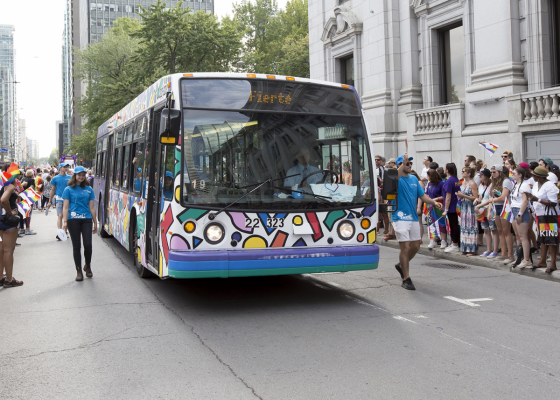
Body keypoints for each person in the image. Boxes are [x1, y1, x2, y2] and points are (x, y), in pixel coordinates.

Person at [392, 153, 442, 290]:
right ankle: (406, 278)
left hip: (413, 217)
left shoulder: (414, 179)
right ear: (400, 165)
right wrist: (403, 164)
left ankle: (401, 264)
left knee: (416, 246)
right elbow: (395, 176)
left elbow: (422, 195)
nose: (409, 166)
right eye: (407, 163)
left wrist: (433, 202)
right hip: (399, 217)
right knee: (405, 247)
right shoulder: (396, 178)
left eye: (410, 164)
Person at [62, 166, 98, 281]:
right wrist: (65, 222)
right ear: (75, 175)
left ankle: (87, 265)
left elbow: (92, 207)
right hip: (73, 220)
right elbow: (66, 207)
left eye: (83, 175)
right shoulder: (68, 189)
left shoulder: (89, 189)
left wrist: (95, 222)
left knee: (88, 245)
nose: (81, 177)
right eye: (79, 175)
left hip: (86, 219)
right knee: (76, 246)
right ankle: (78, 270)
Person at [526, 166, 559, 273]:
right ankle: (543, 260)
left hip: (550, 215)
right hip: (540, 214)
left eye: (534, 175)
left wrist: (538, 199)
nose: (532, 176)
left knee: (552, 239)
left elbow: (553, 202)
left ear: (539, 176)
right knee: (543, 237)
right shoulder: (536, 184)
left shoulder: (549, 186)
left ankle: (553, 264)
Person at [0, 163, 23, 288]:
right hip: (7, 221)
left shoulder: (1, 184)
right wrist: (10, 212)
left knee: (1, 250)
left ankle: (1, 278)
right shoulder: (9, 186)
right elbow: (3, 200)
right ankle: (9, 279)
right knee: (8, 250)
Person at [490, 165, 515, 264]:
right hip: (496, 207)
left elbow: (503, 197)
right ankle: (503, 253)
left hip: (505, 207)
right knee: (500, 231)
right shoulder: (494, 182)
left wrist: (491, 200)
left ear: (500, 172)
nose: (492, 174)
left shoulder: (506, 181)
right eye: (491, 172)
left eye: (494, 172)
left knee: (506, 231)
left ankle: (510, 255)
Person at [510, 167, 533, 268]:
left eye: (514, 173)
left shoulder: (524, 186)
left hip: (521, 211)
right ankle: (519, 257)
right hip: (514, 210)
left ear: (520, 175)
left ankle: (527, 259)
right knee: (518, 236)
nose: (512, 174)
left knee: (523, 236)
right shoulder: (516, 184)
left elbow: (525, 201)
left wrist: (520, 214)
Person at [474, 168, 500, 258]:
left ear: (485, 176)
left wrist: (480, 205)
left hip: (490, 210)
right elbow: (481, 197)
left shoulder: (492, 185)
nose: (479, 176)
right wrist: (477, 200)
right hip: (482, 210)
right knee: (486, 230)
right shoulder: (481, 185)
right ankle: (488, 250)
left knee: (493, 230)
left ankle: (495, 250)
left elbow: (490, 199)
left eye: (481, 175)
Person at [456, 166, 479, 255]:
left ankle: (472, 249)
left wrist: (464, 196)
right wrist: (459, 195)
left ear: (469, 173)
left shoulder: (472, 183)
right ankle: (465, 248)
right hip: (464, 206)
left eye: (463, 171)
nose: (462, 172)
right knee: (464, 227)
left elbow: (475, 197)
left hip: (470, 207)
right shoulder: (463, 182)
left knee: (471, 227)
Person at [48, 162, 72, 240]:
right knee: (60, 215)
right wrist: (49, 201)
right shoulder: (55, 178)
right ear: (60, 168)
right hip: (59, 199)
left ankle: (65, 232)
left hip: (68, 199)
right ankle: (59, 232)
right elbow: (52, 189)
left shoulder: (70, 177)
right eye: (64, 167)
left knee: (66, 216)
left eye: (67, 167)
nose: (66, 168)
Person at [425, 169, 447, 249]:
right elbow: (426, 194)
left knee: (441, 224)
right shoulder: (429, 184)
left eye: (428, 175)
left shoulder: (441, 184)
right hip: (430, 206)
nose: (427, 177)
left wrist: (435, 199)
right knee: (431, 224)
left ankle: (443, 240)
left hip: (439, 207)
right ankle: (433, 240)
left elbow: (444, 196)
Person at [442, 163, 460, 252]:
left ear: (447, 170)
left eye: (445, 168)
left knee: (453, 226)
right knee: (454, 225)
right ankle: (454, 243)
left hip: (451, 206)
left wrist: (446, 209)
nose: (444, 169)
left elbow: (448, 197)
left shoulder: (449, 180)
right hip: (455, 205)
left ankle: (455, 245)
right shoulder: (455, 179)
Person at [21, 170, 37, 235]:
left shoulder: (23, 179)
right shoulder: (32, 180)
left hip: (22, 196)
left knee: (22, 213)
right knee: (28, 213)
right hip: (29, 197)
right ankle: (27, 229)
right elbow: (32, 188)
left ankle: (22, 228)